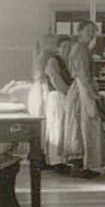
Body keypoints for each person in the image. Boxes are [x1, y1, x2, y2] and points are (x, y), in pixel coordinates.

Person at [60, 20, 105, 178]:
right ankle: (89, 165)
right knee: (89, 125)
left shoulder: (81, 49)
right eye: (88, 31)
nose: (91, 34)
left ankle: (83, 164)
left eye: (93, 31)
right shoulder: (80, 49)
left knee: (79, 129)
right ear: (79, 31)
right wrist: (92, 94)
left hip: (81, 88)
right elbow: (82, 75)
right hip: (82, 89)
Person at [28, 34, 70, 172]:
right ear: (58, 48)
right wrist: (70, 94)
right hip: (57, 97)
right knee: (56, 129)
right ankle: (56, 162)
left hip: (62, 97)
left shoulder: (66, 62)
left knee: (60, 129)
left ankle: (57, 159)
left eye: (70, 47)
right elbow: (55, 80)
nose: (67, 50)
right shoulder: (53, 60)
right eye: (64, 47)